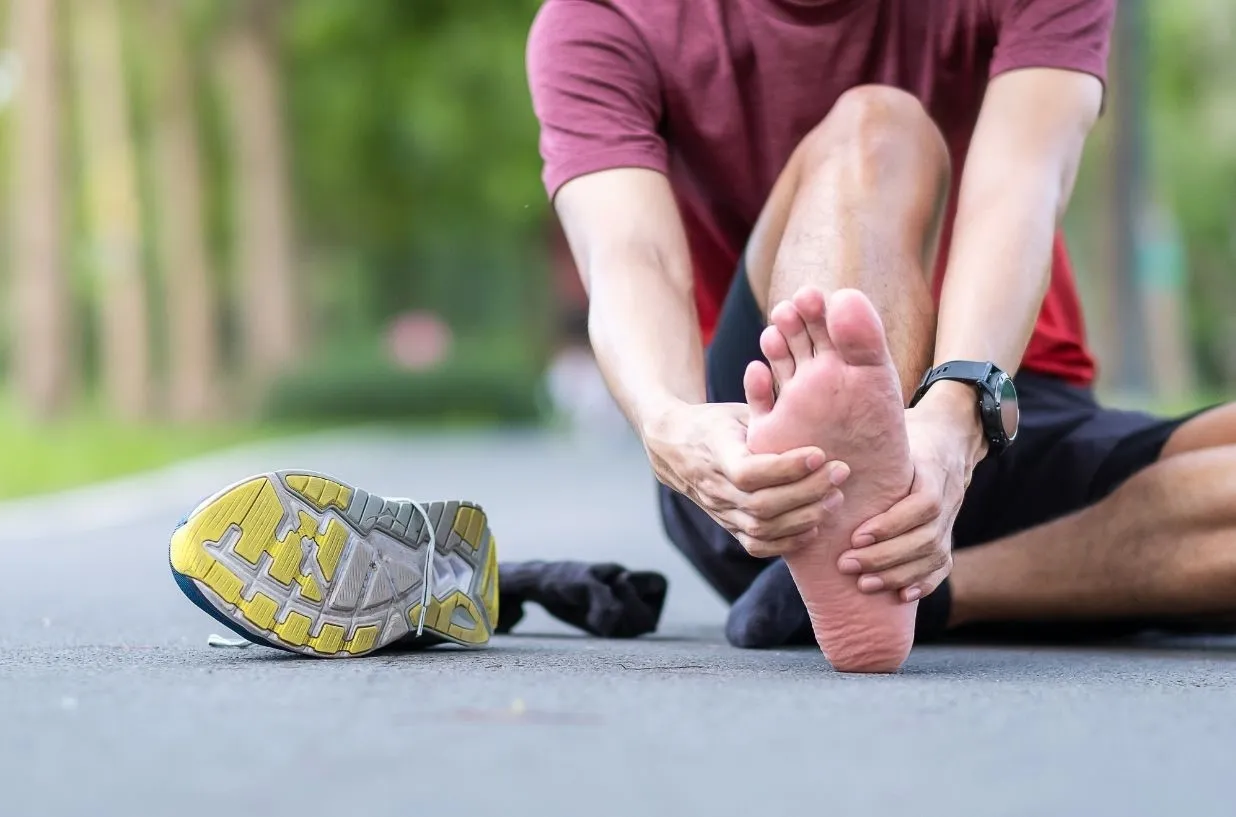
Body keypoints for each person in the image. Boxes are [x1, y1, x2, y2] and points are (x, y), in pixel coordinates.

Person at [527, 0, 1236, 672]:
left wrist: (955, 423)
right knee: (882, 129)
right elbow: (632, 258)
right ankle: (849, 507)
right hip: (765, 473)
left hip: (995, 411)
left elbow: (1020, 185)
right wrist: (670, 421)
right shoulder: (600, 20)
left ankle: (939, 589)